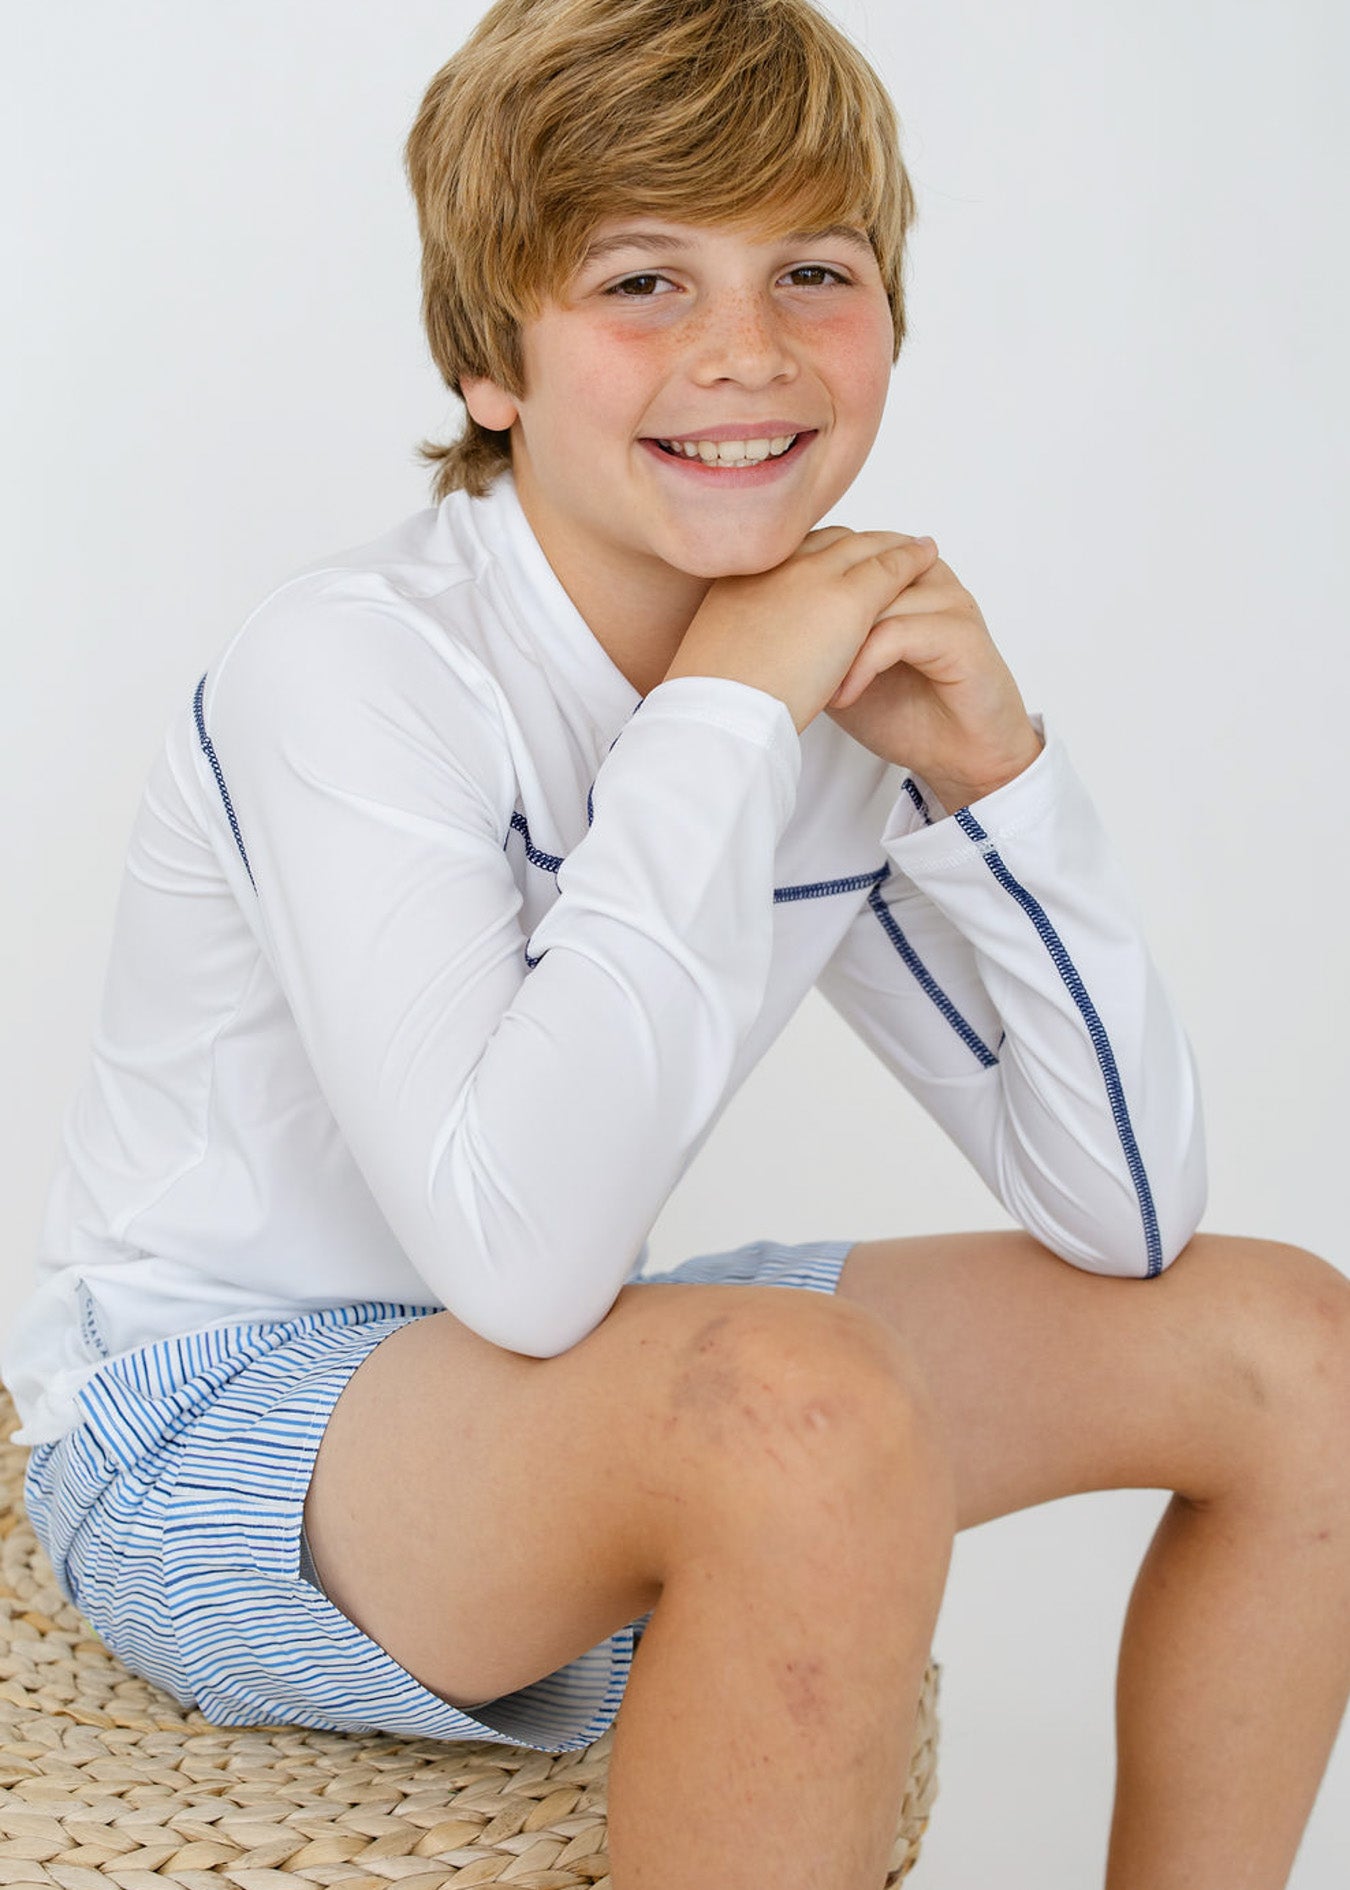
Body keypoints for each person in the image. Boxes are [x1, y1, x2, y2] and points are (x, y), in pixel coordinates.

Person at [6, 1, 1349, 1884]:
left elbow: (1124, 1214)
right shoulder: (355, 668)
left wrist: (990, 779)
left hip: (551, 1383)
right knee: (798, 1412)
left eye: (813, 269)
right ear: (493, 357)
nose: (744, 351)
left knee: (1294, 1350)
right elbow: (527, 1269)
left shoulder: (822, 680)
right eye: (644, 279)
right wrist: (716, 720)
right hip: (216, 1429)